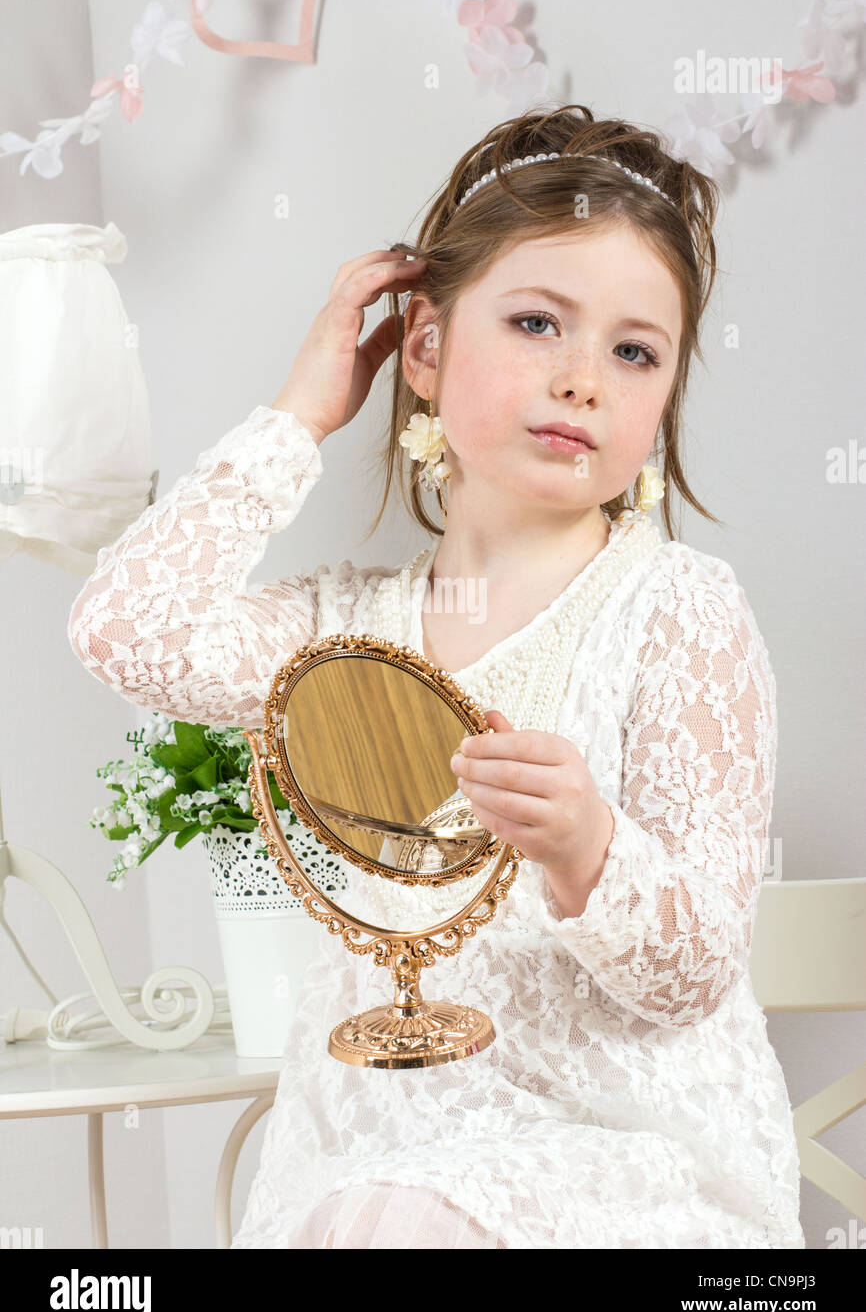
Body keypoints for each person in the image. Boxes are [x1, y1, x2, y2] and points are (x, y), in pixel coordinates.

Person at [67, 104, 806, 1250]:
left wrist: (583, 847)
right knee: (387, 1214)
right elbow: (128, 631)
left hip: (623, 1167)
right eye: (532, 323)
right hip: (367, 1157)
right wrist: (300, 415)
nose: (579, 380)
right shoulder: (341, 632)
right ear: (422, 347)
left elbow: (691, 975)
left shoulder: (675, 612)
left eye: (631, 350)